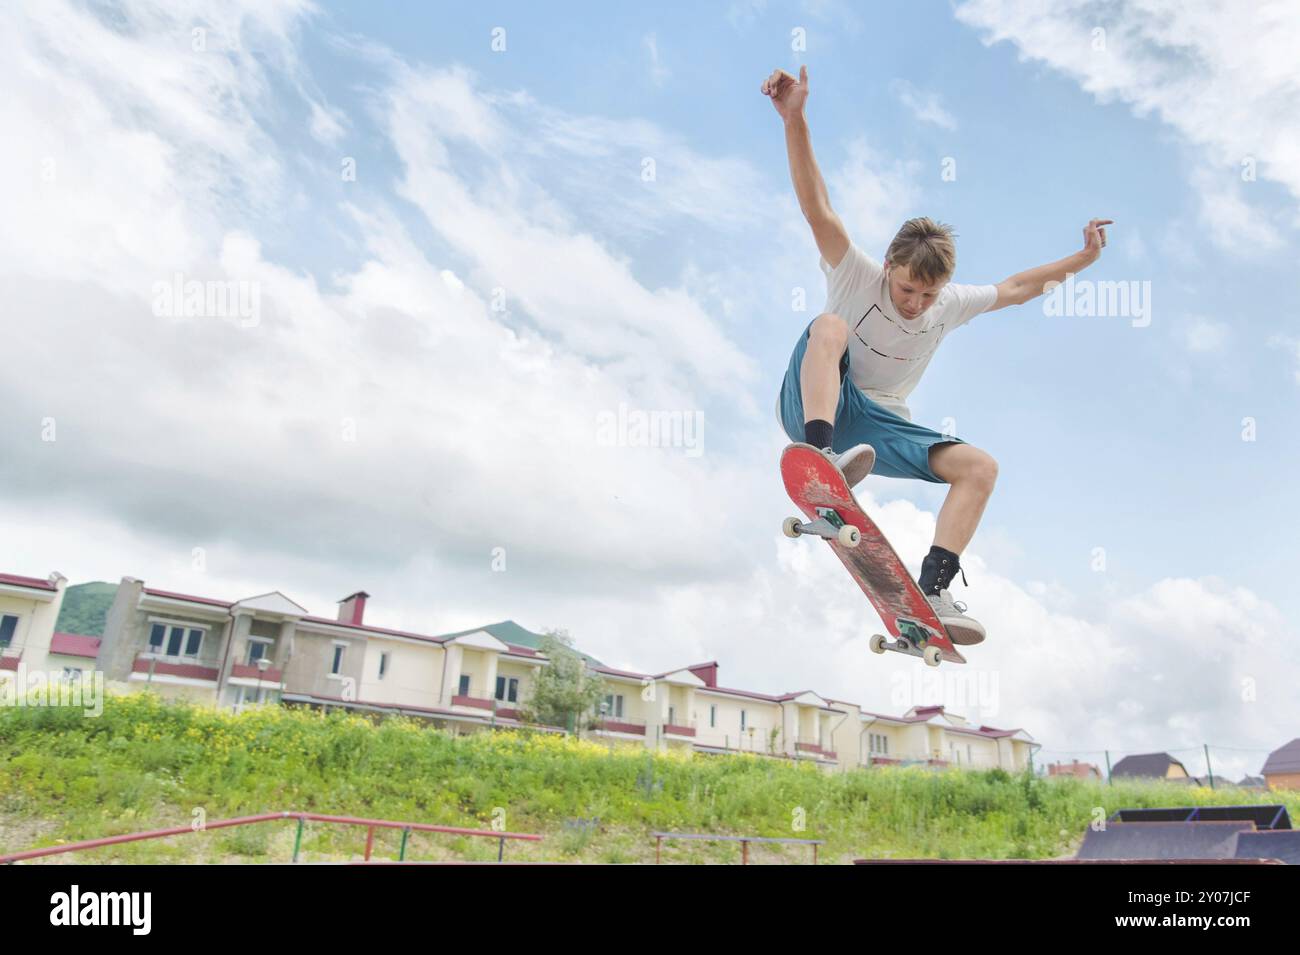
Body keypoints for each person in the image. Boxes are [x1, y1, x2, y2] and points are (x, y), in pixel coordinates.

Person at [763, 65, 1110, 645]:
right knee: (828, 326)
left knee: (980, 467)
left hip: (879, 425)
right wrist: (794, 119)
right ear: (891, 268)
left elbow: (1020, 287)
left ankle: (934, 590)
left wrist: (1083, 261)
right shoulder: (856, 275)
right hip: (814, 401)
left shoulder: (950, 303)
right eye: (905, 290)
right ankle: (820, 456)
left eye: (926, 295)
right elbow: (817, 209)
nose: (915, 304)